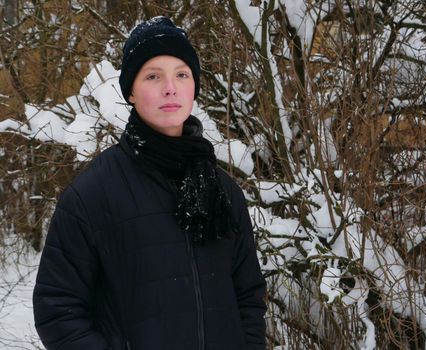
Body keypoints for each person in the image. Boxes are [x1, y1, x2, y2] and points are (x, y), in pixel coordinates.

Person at [33, 16, 267, 350]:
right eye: (153, 75)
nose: (170, 87)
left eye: (182, 74)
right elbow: (57, 309)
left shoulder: (223, 191)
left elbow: (248, 298)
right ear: (130, 90)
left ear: (194, 88)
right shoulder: (93, 194)